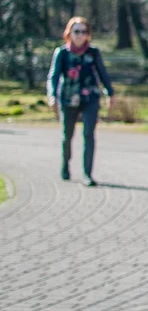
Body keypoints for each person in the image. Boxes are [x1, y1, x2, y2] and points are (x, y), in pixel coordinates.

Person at [46, 17, 114, 185]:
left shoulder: (93, 52)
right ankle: (65, 165)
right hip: (68, 98)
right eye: (77, 31)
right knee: (67, 136)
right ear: (69, 33)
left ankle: (87, 174)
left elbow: (102, 73)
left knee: (89, 135)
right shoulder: (62, 53)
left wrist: (110, 93)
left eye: (84, 32)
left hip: (90, 98)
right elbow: (53, 76)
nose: (80, 35)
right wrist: (52, 95)